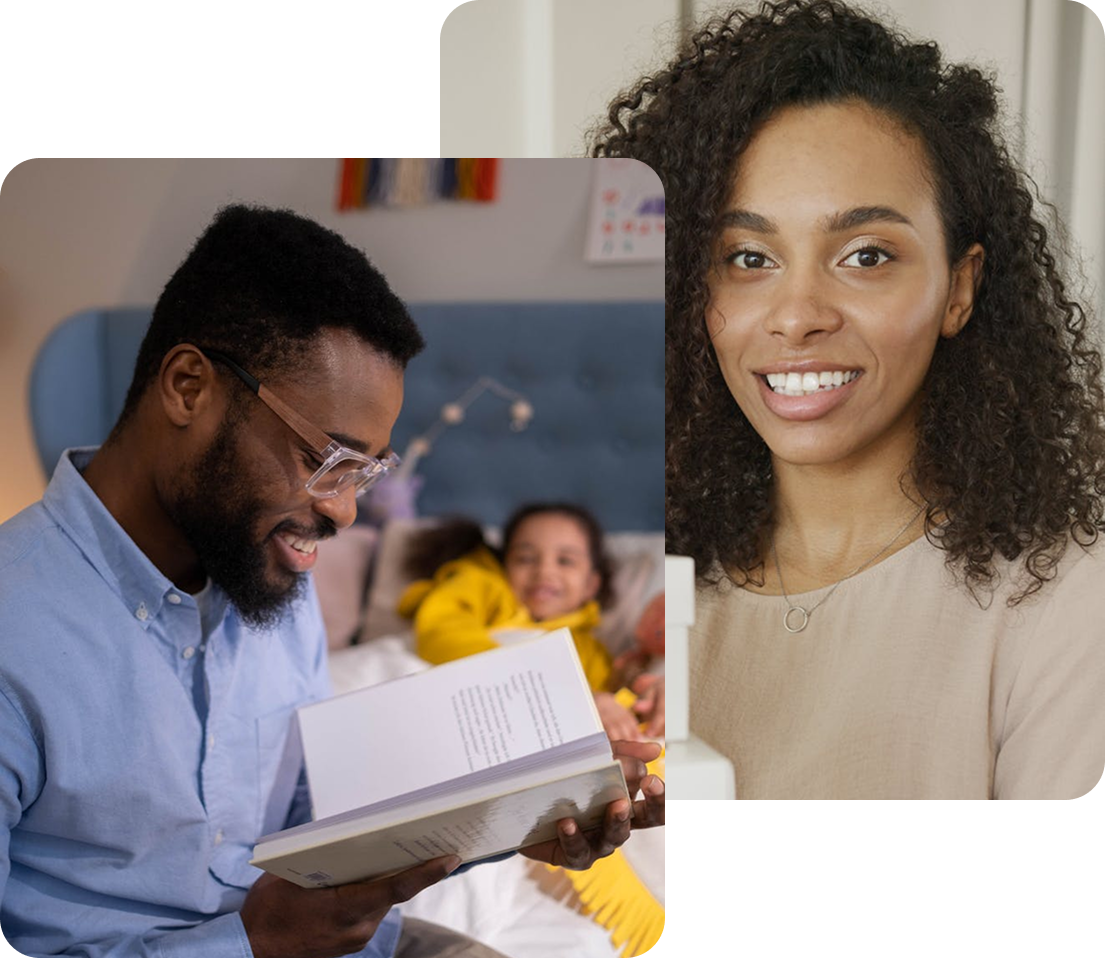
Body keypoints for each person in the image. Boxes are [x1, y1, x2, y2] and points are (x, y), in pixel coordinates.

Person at [0, 205, 665, 957]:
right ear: (188, 387)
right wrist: (254, 944)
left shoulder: (266, 569)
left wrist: (511, 818)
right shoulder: (18, 633)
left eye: (366, 473)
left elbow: (319, 820)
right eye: (328, 460)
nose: (345, 511)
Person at [591, 0, 1105, 799]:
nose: (797, 316)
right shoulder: (654, 591)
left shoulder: (1063, 603)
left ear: (958, 289)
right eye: (747, 257)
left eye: (865, 255)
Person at [398, 504, 664, 741]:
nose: (544, 571)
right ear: (505, 567)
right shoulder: (483, 587)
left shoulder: (590, 651)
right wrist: (566, 693)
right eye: (525, 559)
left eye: (565, 561)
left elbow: (611, 712)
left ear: (590, 585)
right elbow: (442, 631)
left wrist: (646, 696)